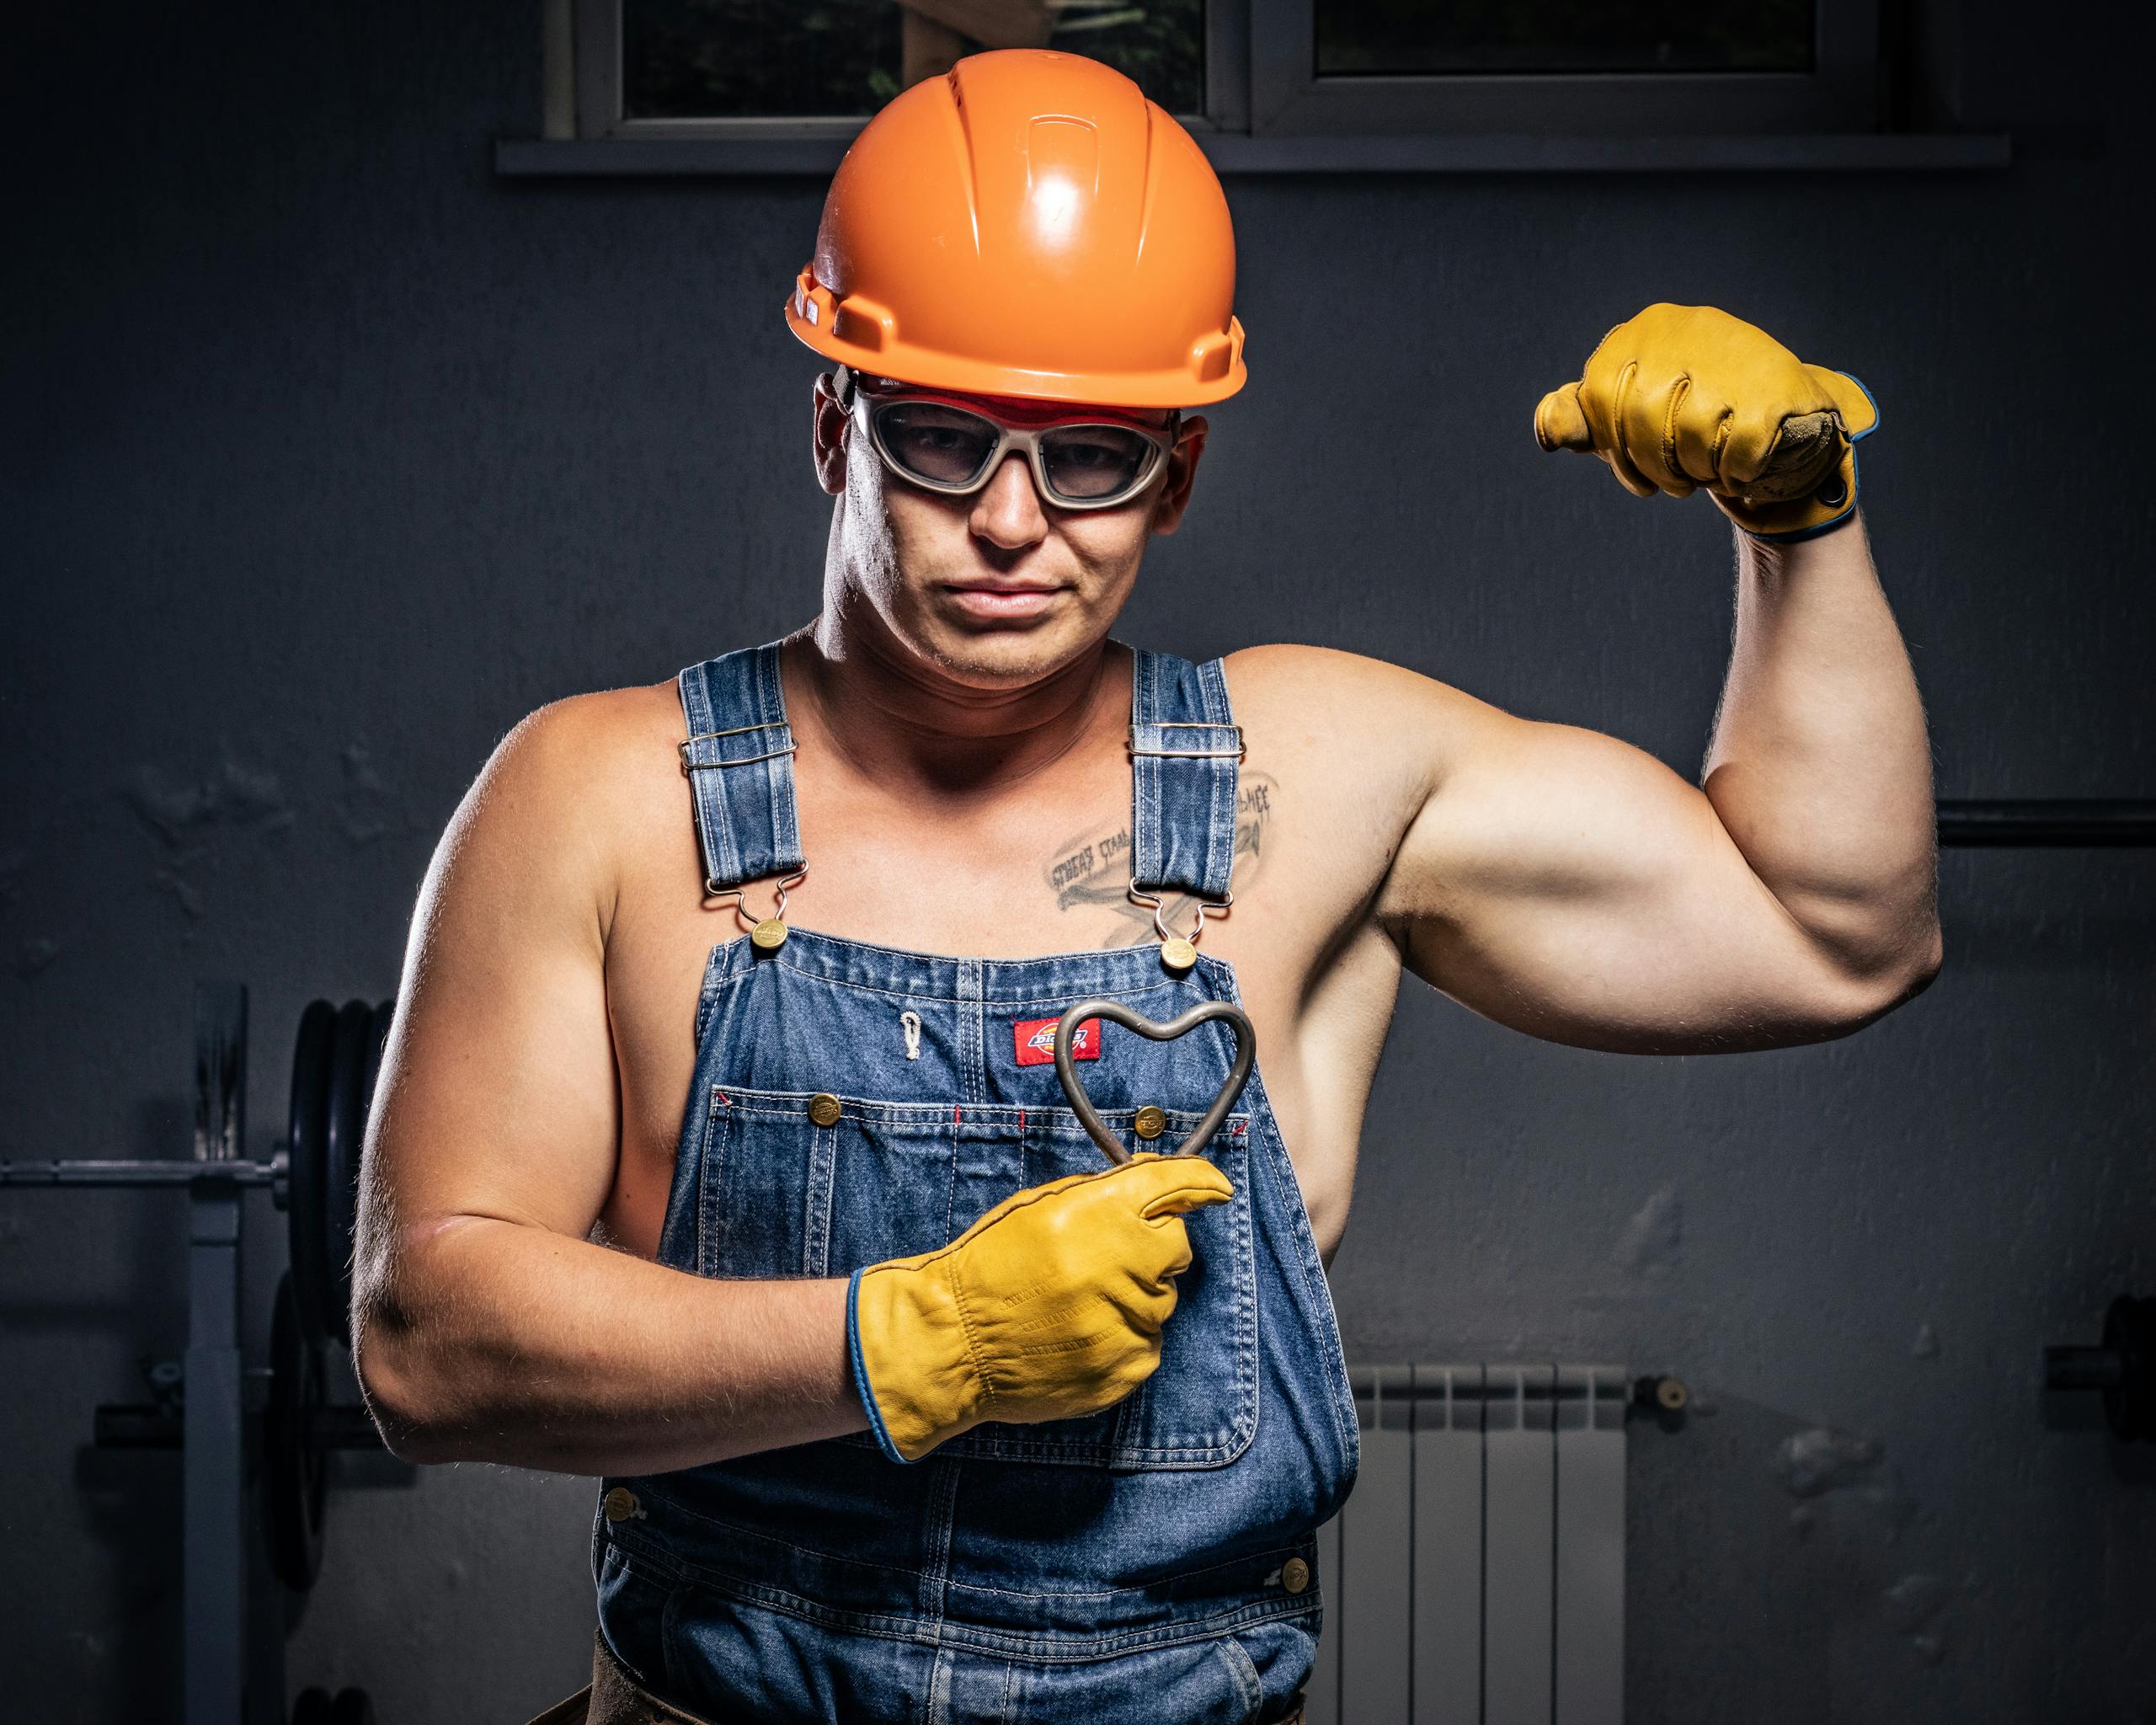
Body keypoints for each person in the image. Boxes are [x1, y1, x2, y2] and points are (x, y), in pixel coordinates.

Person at [350, 47, 1940, 1725]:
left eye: (1091, 456)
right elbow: (420, 1340)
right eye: (945, 439)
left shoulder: (1312, 781)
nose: (1012, 523)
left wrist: (1800, 528)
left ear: (1174, 475)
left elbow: (1831, 933)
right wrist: (907, 1342)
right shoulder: (599, 800)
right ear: (836, 425)